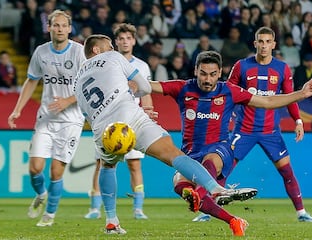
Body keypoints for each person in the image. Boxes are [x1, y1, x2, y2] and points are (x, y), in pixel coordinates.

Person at [74, 34, 263, 235]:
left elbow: (87, 114)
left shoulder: (77, 81)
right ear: (97, 50)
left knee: (107, 166)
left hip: (105, 131)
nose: (112, 47)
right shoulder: (113, 57)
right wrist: (133, 100)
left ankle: (111, 221)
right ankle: (215, 189)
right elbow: (145, 86)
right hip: (131, 117)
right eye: (109, 45)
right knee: (174, 155)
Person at [150, 50, 312, 234]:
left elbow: (268, 100)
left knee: (210, 163)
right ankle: (233, 221)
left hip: (219, 150)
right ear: (196, 70)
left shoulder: (229, 91)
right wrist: (124, 80)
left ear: (220, 72)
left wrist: (301, 94)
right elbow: (148, 86)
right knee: (179, 184)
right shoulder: (182, 88)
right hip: (191, 154)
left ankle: (205, 191)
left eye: (213, 74)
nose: (208, 79)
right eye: (203, 73)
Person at [228, 26, 312, 223]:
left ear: (274, 44)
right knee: (223, 168)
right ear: (255, 43)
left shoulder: (282, 68)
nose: (264, 46)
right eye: (260, 41)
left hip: (271, 132)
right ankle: (205, 211)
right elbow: (228, 93)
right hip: (244, 129)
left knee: (287, 171)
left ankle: (301, 213)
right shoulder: (241, 66)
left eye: (268, 42)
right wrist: (226, 115)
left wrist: (298, 120)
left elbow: (290, 97)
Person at [7, 10, 86, 227]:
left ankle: (49, 215)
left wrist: (67, 101)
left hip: (71, 120)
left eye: (63, 26)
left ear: (69, 29)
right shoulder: (41, 52)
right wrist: (17, 110)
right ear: (48, 27)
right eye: (55, 25)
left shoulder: (79, 53)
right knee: (34, 167)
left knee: (56, 171)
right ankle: (41, 194)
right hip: (46, 117)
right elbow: (31, 81)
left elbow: (87, 86)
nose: (59, 29)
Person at [84, 23, 154, 220]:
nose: (125, 42)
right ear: (115, 42)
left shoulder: (141, 66)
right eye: (121, 39)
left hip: (132, 119)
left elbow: (146, 91)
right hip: (108, 121)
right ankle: (95, 207)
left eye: (128, 38)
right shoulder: (101, 63)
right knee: (102, 164)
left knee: (134, 165)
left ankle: (138, 208)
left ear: (134, 40)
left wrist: (148, 110)